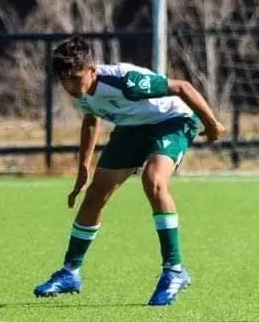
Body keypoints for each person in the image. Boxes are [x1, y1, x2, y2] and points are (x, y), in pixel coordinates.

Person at [34, 35, 226, 306]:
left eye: (76, 78)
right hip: (132, 128)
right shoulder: (80, 91)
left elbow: (182, 87)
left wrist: (212, 123)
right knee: (96, 194)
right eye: (64, 80)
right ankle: (70, 272)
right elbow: (91, 119)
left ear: (92, 70)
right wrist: (83, 168)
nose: (70, 86)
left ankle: (174, 270)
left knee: (154, 181)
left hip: (172, 120)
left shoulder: (125, 80)